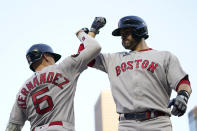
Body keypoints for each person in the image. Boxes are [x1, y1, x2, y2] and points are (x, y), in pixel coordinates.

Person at [78, 16, 192, 131]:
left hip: (157, 122)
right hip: (127, 124)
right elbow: (84, 57)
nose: (122, 36)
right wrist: (93, 31)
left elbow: (182, 81)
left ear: (139, 31)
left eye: (126, 32)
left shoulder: (164, 56)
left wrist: (182, 96)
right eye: (121, 33)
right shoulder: (113, 59)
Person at [5, 17, 106, 131]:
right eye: (53, 57)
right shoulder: (62, 68)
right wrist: (83, 33)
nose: (54, 60)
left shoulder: (22, 91)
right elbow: (93, 48)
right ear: (46, 56)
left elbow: (13, 127)